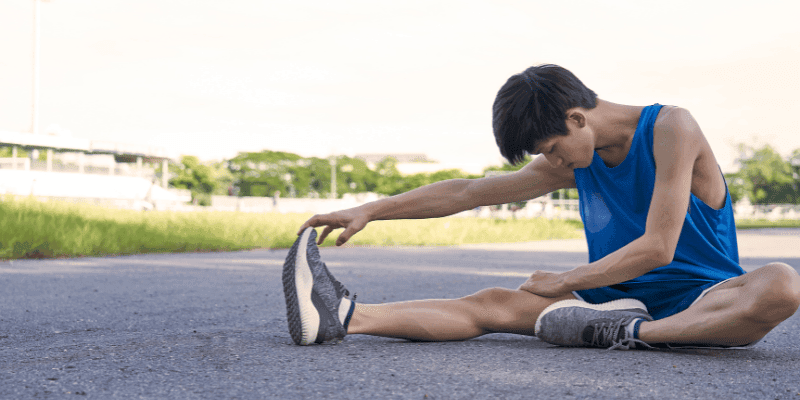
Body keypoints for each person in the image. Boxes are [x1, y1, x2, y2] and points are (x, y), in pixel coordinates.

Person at [282, 64, 800, 349]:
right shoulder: (574, 158)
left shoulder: (671, 128)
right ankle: (345, 316)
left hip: (704, 300)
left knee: (781, 284)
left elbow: (658, 248)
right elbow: (468, 192)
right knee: (492, 302)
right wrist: (371, 209)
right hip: (612, 300)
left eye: (551, 148)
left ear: (577, 118)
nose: (551, 161)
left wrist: (564, 280)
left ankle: (634, 334)